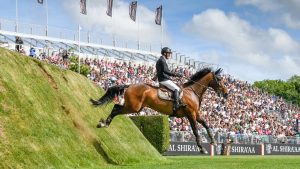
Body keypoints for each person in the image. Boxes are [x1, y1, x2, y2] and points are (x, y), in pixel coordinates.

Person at [155, 47, 185, 114]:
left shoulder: (161, 59)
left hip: (164, 78)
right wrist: (176, 74)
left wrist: (173, 76)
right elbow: (166, 71)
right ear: (164, 53)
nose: (169, 55)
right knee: (177, 89)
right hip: (164, 79)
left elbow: (163, 71)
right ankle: (176, 105)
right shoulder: (162, 60)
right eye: (168, 53)